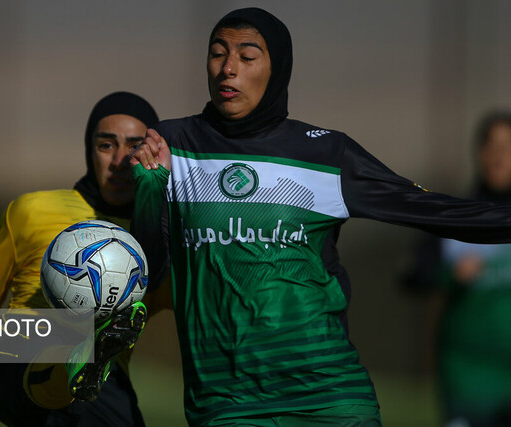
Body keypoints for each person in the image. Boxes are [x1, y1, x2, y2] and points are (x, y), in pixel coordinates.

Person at [129, 8, 511, 426]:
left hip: (330, 396)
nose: (229, 68)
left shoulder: (326, 153)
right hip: (227, 404)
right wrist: (149, 190)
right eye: (218, 53)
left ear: (278, 69)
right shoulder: (174, 146)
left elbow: (433, 208)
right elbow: (148, 270)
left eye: (248, 55)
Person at [0, 91, 159, 426]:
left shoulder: (160, 236)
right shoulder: (32, 212)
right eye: (106, 145)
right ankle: (73, 362)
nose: (119, 160)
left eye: (135, 146)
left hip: (98, 388)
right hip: (14, 357)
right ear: (89, 148)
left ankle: (87, 362)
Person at [405, 111, 511, 426]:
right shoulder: (455, 216)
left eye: (507, 147)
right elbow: (412, 275)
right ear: (479, 153)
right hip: (468, 380)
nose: (499, 157)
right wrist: (451, 275)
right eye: (491, 146)